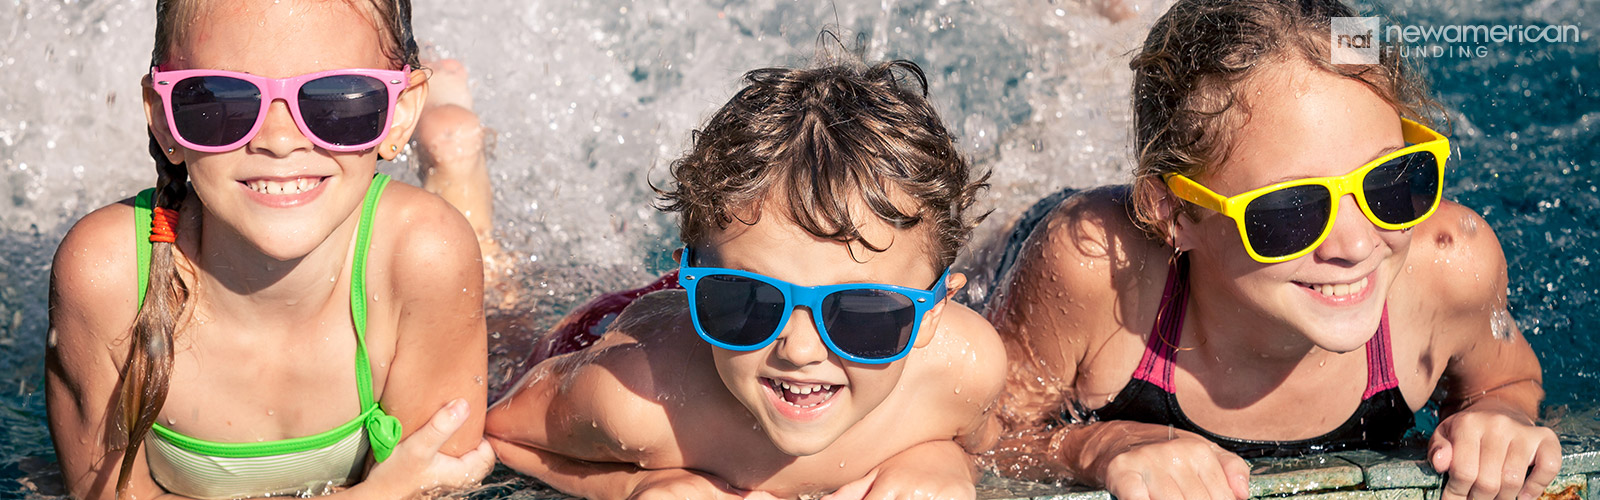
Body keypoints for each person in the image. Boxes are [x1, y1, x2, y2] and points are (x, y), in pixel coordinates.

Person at [984, 1, 1561, 499]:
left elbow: (1506, 381)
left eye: (1391, 182)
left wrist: (1497, 416)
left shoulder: (1448, 262)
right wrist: (1096, 445)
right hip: (1056, 243)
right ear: (1174, 213)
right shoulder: (1094, 275)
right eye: (1289, 211)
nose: (1356, 244)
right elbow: (981, 435)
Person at [483, 56, 1007, 500]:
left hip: (721, 312)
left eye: (862, 311)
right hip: (616, 333)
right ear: (695, 282)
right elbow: (500, 431)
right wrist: (643, 485)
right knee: (507, 322)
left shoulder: (962, 372)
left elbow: (992, 443)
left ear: (933, 313)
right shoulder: (639, 401)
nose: (800, 351)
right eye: (750, 297)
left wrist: (948, 463)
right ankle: (470, 196)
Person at [45, 0, 495, 498]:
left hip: (403, 247)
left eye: (338, 100)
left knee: (501, 294)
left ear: (397, 112)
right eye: (221, 101)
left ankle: (454, 154)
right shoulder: (109, 276)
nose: (279, 141)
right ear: (164, 119)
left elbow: (448, 484)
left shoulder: (424, 256)